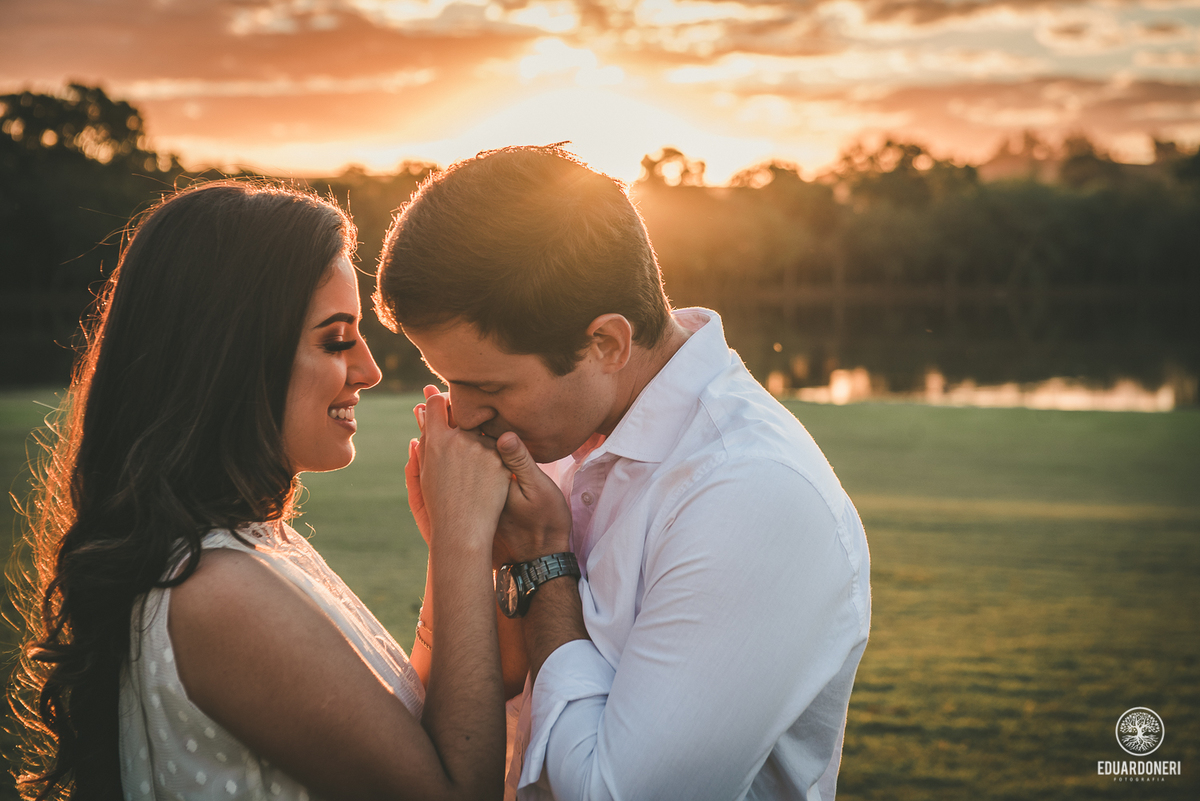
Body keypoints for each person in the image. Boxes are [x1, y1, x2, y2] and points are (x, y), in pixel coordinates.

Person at [375, 145, 872, 801]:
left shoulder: (752, 492)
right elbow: (485, 692)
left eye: (486, 384)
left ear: (607, 343)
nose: (461, 415)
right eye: (446, 382)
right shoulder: (553, 440)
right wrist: (460, 550)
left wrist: (543, 564)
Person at [11, 181, 512, 801]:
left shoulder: (250, 547)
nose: (370, 371)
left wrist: (448, 544)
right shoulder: (217, 592)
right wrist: (464, 542)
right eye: (336, 338)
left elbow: (415, 724)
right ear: (235, 354)